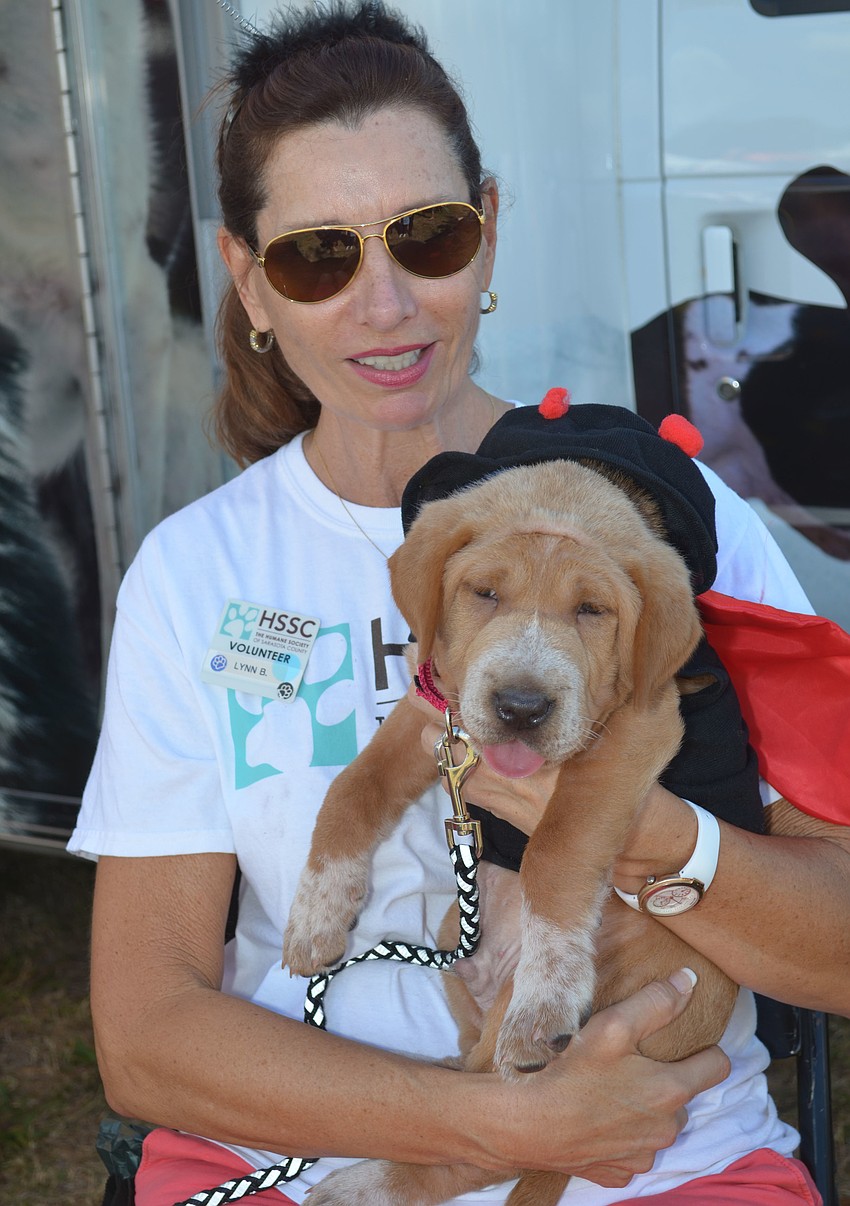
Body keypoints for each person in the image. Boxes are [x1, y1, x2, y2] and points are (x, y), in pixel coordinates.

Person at [69, 4, 850, 1204]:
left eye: (426, 236)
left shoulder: (672, 524)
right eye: (318, 257)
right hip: (304, 1160)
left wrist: (650, 835)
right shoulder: (196, 572)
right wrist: (499, 1128)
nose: (384, 303)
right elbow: (144, 1037)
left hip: (658, 1157)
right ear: (248, 282)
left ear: (485, 234)